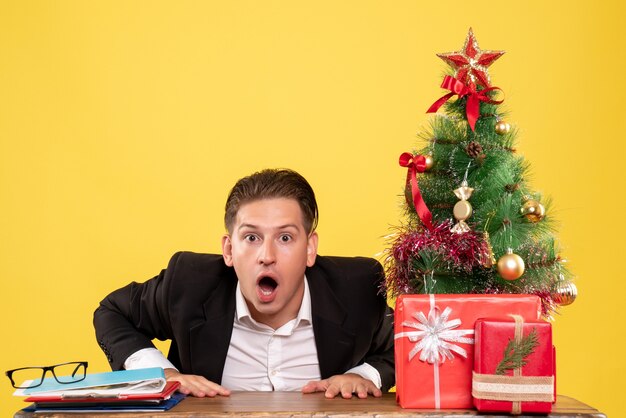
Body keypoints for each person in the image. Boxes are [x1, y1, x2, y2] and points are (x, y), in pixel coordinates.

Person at [94, 168, 394, 399]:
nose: (267, 256)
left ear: (310, 248)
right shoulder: (188, 283)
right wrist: (163, 374)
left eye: (285, 237)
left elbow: (417, 342)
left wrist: (366, 375)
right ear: (228, 249)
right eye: (251, 237)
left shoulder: (357, 288)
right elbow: (112, 312)